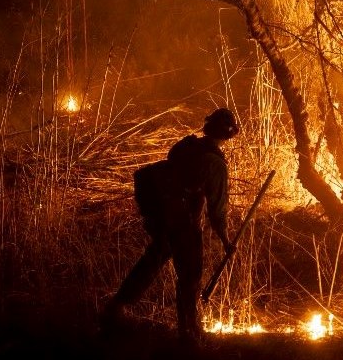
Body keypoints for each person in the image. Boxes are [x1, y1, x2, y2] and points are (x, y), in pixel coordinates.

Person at [99, 107, 239, 345]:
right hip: (181, 219)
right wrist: (226, 240)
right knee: (191, 272)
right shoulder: (215, 163)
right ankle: (189, 331)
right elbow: (218, 209)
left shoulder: (189, 147)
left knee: (154, 258)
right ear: (228, 135)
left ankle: (116, 307)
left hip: (162, 214)